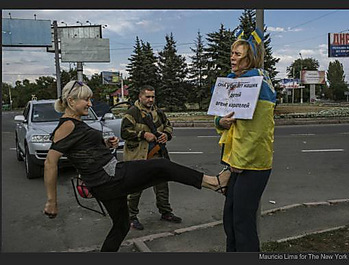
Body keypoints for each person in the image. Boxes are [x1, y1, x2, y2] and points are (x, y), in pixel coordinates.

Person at [43, 80, 231, 252]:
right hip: (110, 178)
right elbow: (50, 162)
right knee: (161, 166)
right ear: (71, 101)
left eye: (90, 99)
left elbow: (82, 150)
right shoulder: (67, 125)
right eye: (86, 100)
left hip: (103, 184)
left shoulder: (75, 123)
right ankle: (214, 182)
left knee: (122, 226)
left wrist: (106, 144)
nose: (90, 104)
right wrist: (52, 201)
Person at [214, 28, 276, 252]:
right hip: (235, 162)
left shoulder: (258, 84)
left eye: (238, 54)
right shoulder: (233, 81)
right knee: (230, 220)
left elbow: (258, 132)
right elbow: (220, 118)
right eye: (232, 53)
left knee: (242, 223)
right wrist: (220, 122)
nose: (232, 57)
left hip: (252, 164)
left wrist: (238, 164)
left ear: (249, 58)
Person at [121, 85, 181, 230]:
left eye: (152, 97)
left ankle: (166, 212)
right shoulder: (132, 113)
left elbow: (168, 126)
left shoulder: (158, 112)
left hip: (157, 154)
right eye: (147, 97)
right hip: (138, 157)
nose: (150, 99)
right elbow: (124, 132)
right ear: (140, 97)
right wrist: (143, 135)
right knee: (135, 189)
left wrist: (166, 135)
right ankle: (131, 217)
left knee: (162, 186)